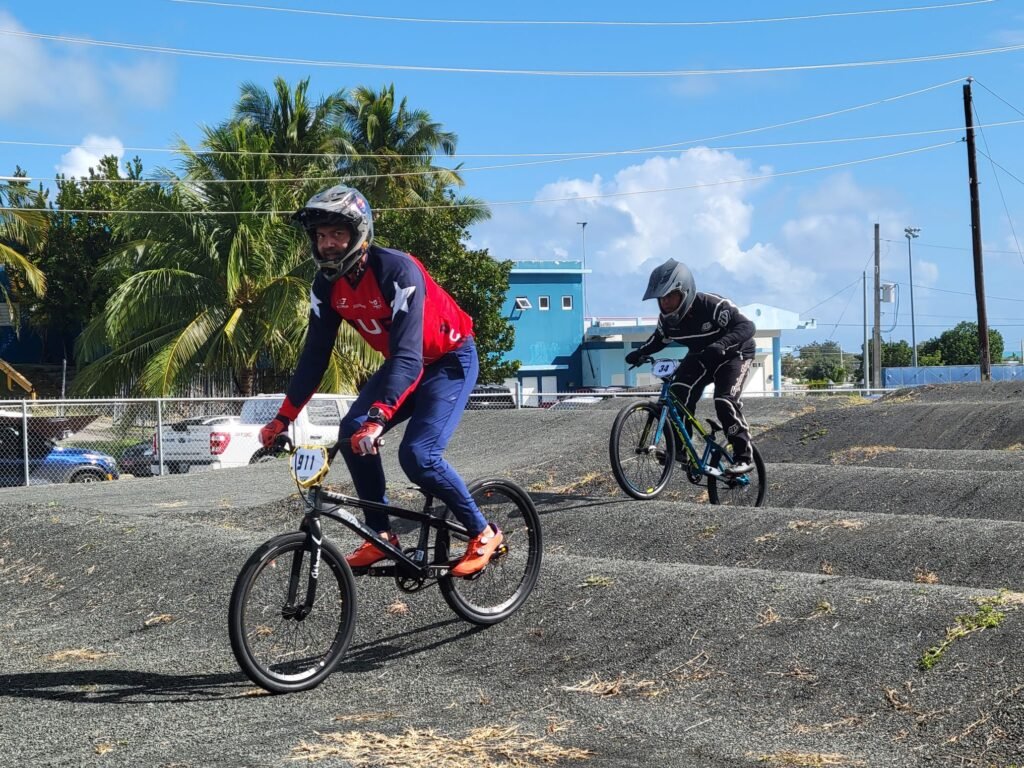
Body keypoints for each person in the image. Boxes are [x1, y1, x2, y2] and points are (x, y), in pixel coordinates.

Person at [259, 184, 501, 577]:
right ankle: (380, 535)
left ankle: (483, 531)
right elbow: (315, 357)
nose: (328, 244)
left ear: (359, 234)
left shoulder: (397, 270)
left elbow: (408, 353)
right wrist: (282, 417)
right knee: (350, 430)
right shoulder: (325, 286)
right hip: (405, 364)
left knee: (418, 456)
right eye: (321, 235)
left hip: (448, 361)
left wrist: (378, 417)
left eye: (338, 234)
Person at [624, 258, 756, 474]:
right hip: (701, 356)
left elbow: (747, 326)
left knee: (724, 401)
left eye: (670, 296)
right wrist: (640, 353)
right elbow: (658, 340)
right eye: (661, 299)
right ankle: (681, 450)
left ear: (685, 292)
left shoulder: (712, 305)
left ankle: (743, 456)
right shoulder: (666, 321)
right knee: (677, 395)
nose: (665, 303)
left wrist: (722, 343)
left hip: (734, 355)